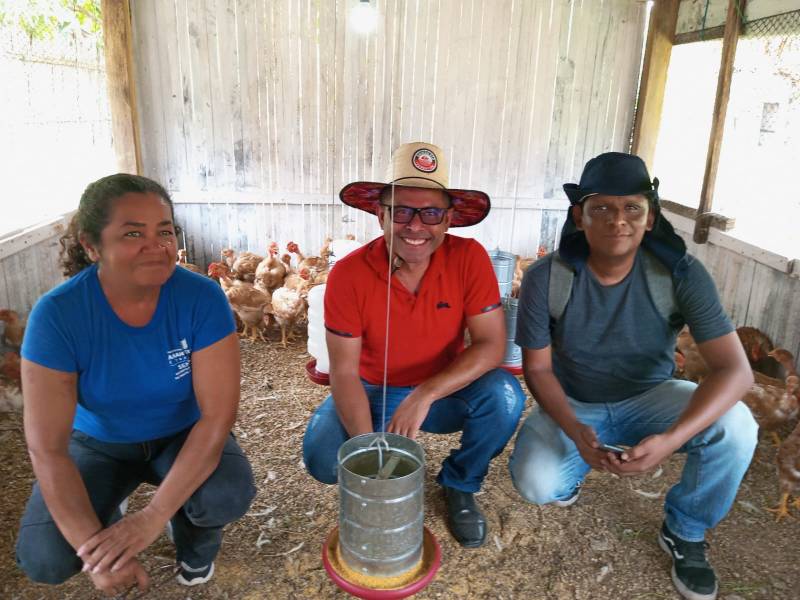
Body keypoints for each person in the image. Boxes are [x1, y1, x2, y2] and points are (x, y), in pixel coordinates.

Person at [509, 152, 757, 600]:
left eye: (632, 208)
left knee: (737, 425)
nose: (617, 220)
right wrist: (575, 430)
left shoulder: (679, 275)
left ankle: (685, 530)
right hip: (575, 403)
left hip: (653, 396)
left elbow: (736, 372)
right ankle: (574, 469)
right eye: (601, 207)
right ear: (579, 217)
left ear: (650, 217)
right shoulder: (548, 278)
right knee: (537, 483)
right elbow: (538, 368)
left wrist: (672, 438)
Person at [15, 174, 256, 596]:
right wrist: (100, 553)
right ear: (92, 246)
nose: (156, 245)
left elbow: (217, 417)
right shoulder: (58, 316)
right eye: (132, 233)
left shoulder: (201, 298)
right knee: (46, 557)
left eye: (164, 231)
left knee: (223, 494)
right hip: (98, 443)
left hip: (182, 433)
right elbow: (47, 450)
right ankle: (108, 512)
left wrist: (153, 517)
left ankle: (194, 547)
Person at [302, 142, 526, 548]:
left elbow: (492, 345)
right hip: (372, 389)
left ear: (449, 219)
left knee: (505, 397)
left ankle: (460, 483)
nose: (415, 226)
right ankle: (380, 466)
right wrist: (370, 456)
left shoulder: (469, 257)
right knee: (323, 460)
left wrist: (425, 394)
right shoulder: (349, 274)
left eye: (431, 213)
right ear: (381, 215)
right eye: (401, 211)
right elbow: (345, 372)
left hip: (443, 390)